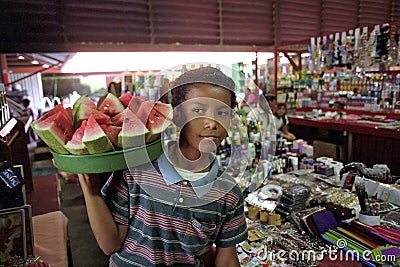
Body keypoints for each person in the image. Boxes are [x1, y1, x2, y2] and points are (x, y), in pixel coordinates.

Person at [74, 66, 248, 266]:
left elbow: (226, 259)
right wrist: (89, 187)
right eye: (198, 110)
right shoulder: (136, 168)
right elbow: (110, 245)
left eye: (222, 112)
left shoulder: (228, 191)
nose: (212, 122)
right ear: (178, 115)